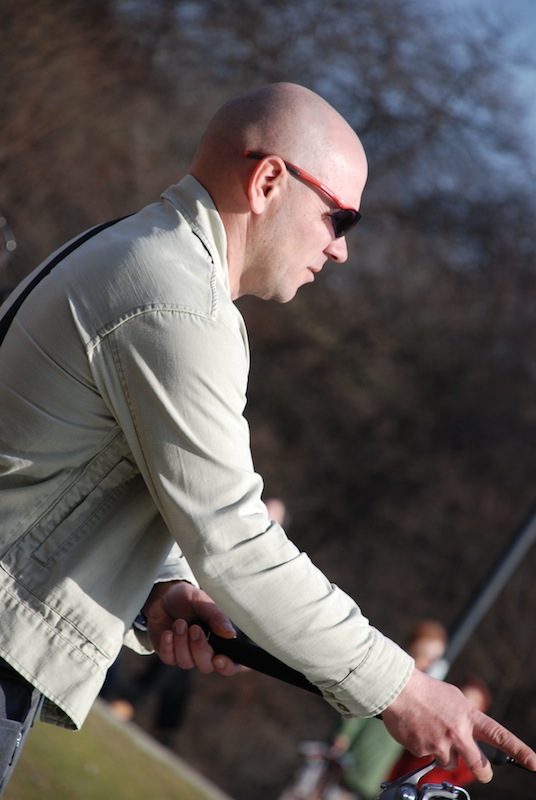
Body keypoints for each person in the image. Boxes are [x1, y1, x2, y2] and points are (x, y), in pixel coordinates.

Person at [0, 82, 534, 796]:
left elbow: (78, 467)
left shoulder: (136, 248)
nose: (341, 250)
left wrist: (161, 585)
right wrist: (402, 688)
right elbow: (237, 542)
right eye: (340, 217)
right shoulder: (177, 303)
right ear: (268, 181)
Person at [332, 621, 448, 800]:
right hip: (355, 756)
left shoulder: (421, 693)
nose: (428, 663)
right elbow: (360, 705)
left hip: (378, 772)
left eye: (434, 658)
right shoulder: (390, 673)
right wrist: (344, 736)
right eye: (426, 655)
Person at [387, 675, 493, 789]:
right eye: (457, 704)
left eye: (470, 711)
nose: (458, 715)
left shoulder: (466, 765)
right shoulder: (416, 727)